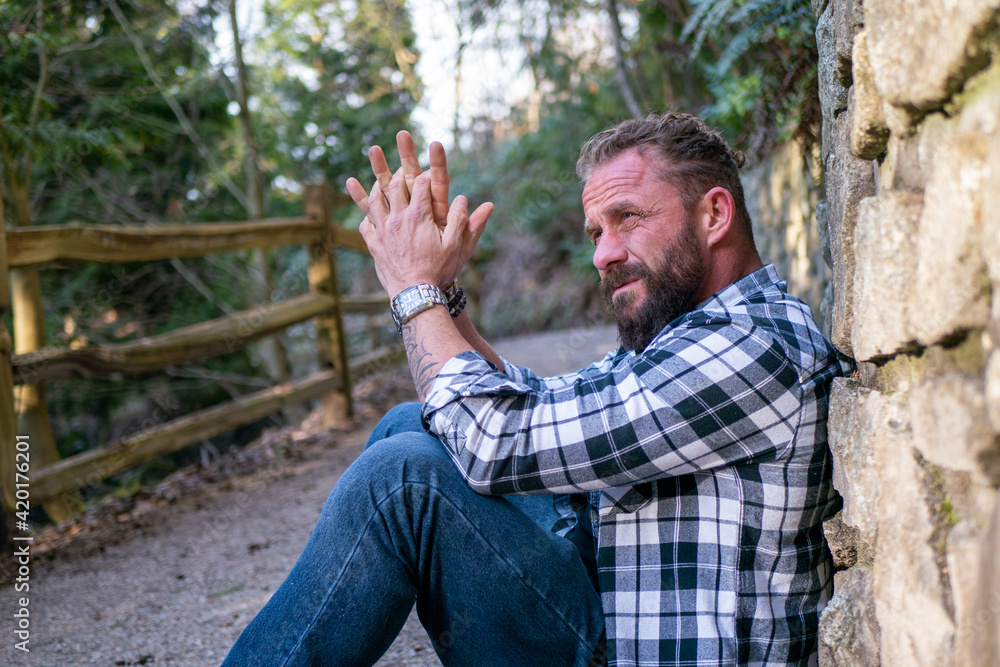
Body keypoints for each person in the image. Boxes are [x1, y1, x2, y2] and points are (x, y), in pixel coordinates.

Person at [222, 113, 848, 667]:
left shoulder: (749, 347)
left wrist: (413, 290)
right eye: (595, 232)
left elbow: (497, 440)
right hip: (613, 600)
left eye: (627, 218)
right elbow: (528, 404)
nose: (603, 254)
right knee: (411, 425)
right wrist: (443, 292)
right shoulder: (696, 332)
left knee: (402, 480)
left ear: (714, 215)